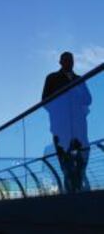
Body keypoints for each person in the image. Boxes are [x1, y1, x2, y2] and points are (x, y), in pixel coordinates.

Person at [42, 51, 92, 193]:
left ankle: (77, 184)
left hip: (79, 126)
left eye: (71, 60)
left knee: (83, 154)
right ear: (60, 62)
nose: (69, 62)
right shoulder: (52, 78)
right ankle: (71, 190)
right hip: (61, 127)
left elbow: (88, 99)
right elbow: (45, 101)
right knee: (65, 161)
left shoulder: (79, 79)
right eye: (66, 60)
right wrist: (59, 112)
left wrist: (76, 94)